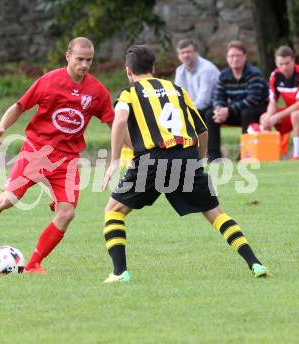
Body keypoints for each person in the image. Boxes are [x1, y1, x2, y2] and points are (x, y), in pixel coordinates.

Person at [0, 37, 115, 274]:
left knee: (67, 214)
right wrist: (1, 127)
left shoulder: (96, 92)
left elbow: (113, 123)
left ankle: (34, 264)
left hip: (67, 160)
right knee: (7, 200)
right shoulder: (49, 82)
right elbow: (20, 106)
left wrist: (123, 151)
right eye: (80, 59)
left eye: (89, 60)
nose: (84, 65)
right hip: (36, 152)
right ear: (68, 57)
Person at [101, 45, 269, 283]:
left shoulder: (129, 93)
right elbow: (202, 129)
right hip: (186, 156)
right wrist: (198, 161)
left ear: (129, 71)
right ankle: (255, 263)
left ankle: (119, 272)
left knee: (113, 211)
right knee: (215, 214)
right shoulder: (177, 89)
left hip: (153, 160)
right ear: (154, 68)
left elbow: (119, 121)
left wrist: (114, 160)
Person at [205, 40, 268, 161]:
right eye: (231, 56)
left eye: (238, 55)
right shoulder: (224, 75)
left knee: (247, 113)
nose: (235, 59)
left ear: (245, 57)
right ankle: (213, 156)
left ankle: (245, 154)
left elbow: (253, 100)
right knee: (210, 114)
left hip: (257, 110)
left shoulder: (254, 74)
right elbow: (218, 97)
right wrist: (220, 110)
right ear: (227, 58)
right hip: (234, 110)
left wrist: (228, 109)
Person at [259, 45, 299, 160]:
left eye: (287, 63)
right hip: (291, 110)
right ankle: (266, 156)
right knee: (264, 117)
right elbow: (273, 101)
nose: (284, 67)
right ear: (276, 62)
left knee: (296, 115)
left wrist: (277, 116)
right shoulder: (275, 75)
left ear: (293, 60)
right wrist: (269, 116)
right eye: (281, 64)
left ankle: (297, 156)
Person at [174, 38, 220, 115]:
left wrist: (185, 111)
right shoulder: (180, 70)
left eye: (188, 52)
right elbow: (177, 95)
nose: (186, 55)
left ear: (196, 53)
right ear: (179, 56)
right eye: (182, 53)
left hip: (213, 108)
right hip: (195, 107)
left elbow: (203, 101)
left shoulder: (207, 69)